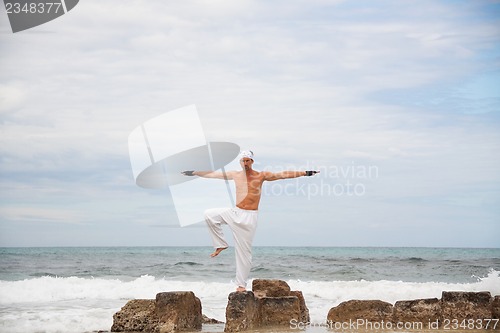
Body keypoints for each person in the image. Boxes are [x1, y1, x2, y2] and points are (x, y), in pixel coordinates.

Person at [182, 150, 319, 292]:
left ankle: (241, 285)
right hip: (235, 212)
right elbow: (213, 174)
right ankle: (220, 244)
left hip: (249, 217)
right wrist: (194, 172)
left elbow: (282, 175)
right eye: (243, 161)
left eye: (248, 160)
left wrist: (305, 173)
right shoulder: (234, 174)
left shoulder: (261, 176)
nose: (245, 163)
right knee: (209, 214)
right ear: (240, 162)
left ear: (252, 161)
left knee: (244, 253)